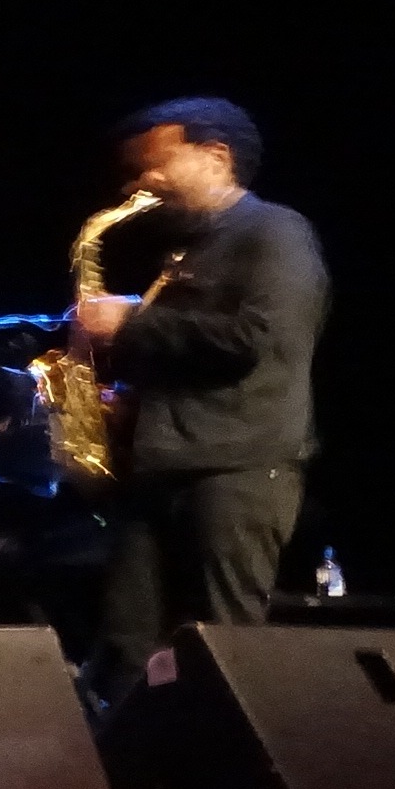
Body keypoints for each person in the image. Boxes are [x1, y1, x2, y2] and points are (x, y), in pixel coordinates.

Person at [76, 97, 328, 701]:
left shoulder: (276, 231)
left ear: (216, 156)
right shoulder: (187, 249)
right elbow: (184, 355)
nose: (140, 182)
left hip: (235, 468)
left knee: (226, 647)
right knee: (126, 646)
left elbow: (255, 339)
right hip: (161, 469)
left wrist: (130, 321)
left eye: (155, 163)